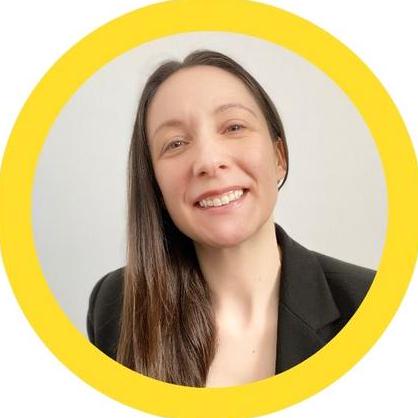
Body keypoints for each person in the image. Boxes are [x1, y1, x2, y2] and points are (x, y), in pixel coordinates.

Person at [87, 50, 375, 388]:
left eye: (234, 127)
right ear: (156, 186)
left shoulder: (372, 305)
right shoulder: (115, 305)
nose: (209, 161)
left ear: (278, 158)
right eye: (175, 144)